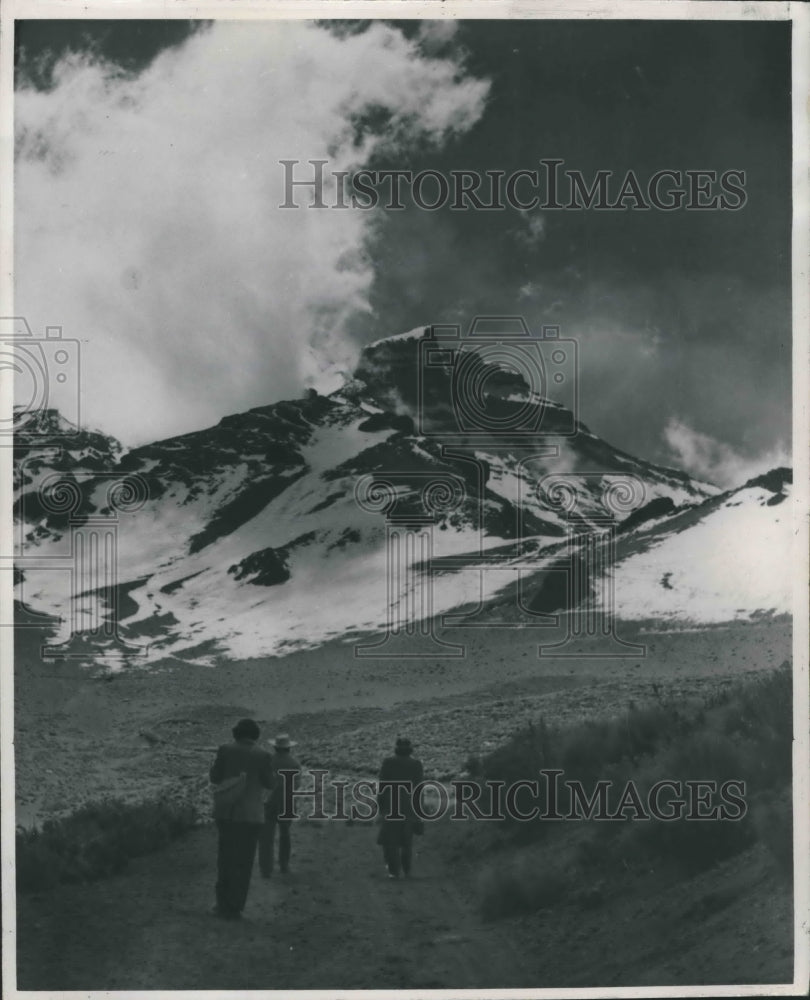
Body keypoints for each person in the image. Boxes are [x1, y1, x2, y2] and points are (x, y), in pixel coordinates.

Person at [209, 718, 275, 919]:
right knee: (244, 862)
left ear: (236, 733)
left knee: (225, 858)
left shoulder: (225, 749)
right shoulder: (263, 755)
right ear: (255, 735)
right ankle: (236, 906)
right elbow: (269, 783)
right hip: (251, 815)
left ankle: (221, 905)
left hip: (227, 813)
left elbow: (215, 777)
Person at [377, 737, 424, 879]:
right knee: (407, 840)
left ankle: (394, 871)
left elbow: (383, 785)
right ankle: (407, 869)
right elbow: (419, 788)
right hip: (409, 805)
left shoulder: (388, 762)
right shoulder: (416, 764)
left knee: (391, 840)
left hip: (392, 804)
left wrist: (381, 805)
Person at [259, 733, 301, 877]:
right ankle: (284, 865)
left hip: (268, 804)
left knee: (266, 838)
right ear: (288, 748)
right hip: (286, 804)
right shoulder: (294, 764)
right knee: (285, 835)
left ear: (275, 747)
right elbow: (296, 786)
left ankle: (266, 869)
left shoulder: (267, 762)